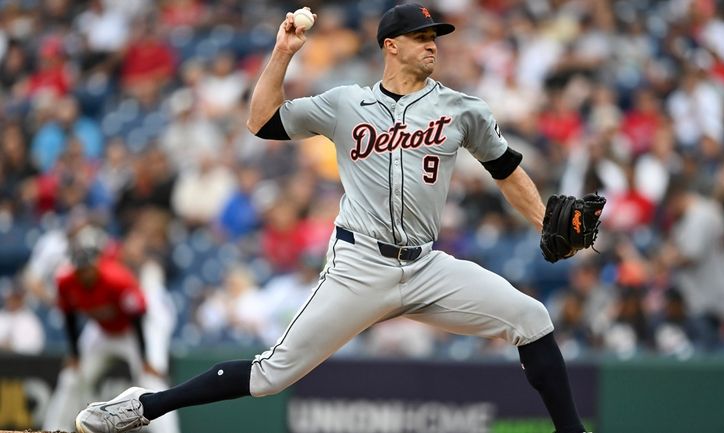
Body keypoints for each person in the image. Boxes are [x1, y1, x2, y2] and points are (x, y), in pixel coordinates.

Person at [74, 5, 589, 433]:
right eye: (421, 36)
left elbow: (506, 170)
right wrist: (283, 53)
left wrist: (544, 218)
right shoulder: (347, 103)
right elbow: (261, 121)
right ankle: (145, 406)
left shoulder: (462, 108)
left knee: (533, 320)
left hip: (428, 265)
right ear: (391, 45)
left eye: (436, 36)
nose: (433, 44)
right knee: (271, 375)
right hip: (361, 264)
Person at [44, 225, 175, 432]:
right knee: (71, 377)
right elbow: (69, 315)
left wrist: (145, 358)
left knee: (151, 379)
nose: (85, 273)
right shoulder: (66, 281)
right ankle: (53, 429)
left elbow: (137, 316)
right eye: (81, 268)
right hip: (102, 331)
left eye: (88, 267)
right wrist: (75, 354)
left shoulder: (117, 278)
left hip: (135, 330)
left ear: (97, 263)